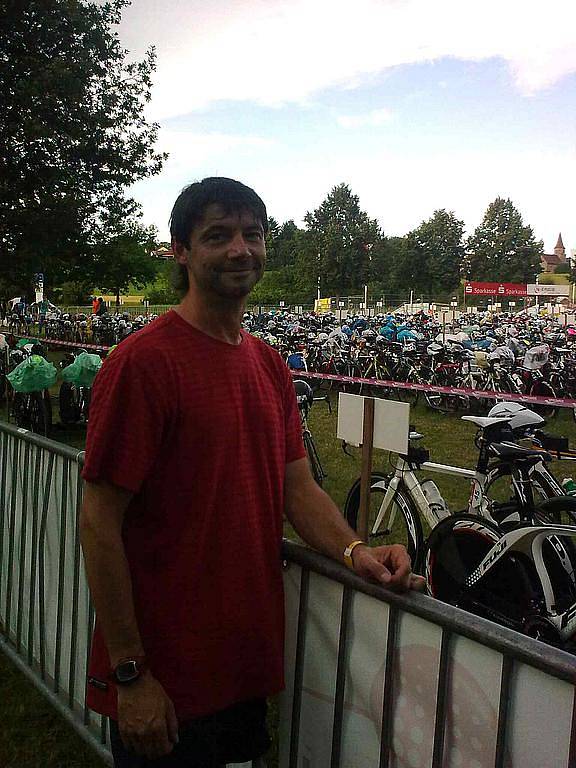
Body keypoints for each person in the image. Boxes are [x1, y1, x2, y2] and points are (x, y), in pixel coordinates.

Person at [79, 177, 424, 768]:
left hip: (244, 665)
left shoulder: (268, 364)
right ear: (181, 251)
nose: (240, 249)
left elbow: (297, 487)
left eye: (252, 234)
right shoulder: (143, 364)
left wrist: (353, 550)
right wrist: (130, 673)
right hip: (165, 678)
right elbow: (98, 521)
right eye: (218, 235)